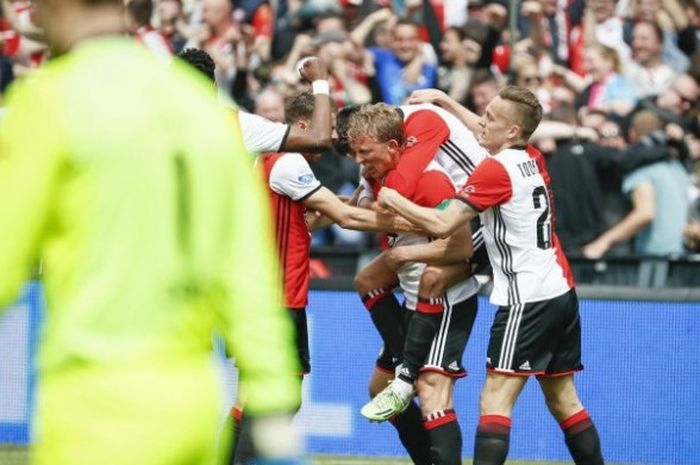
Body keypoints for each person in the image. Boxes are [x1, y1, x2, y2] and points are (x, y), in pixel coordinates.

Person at [0, 1, 304, 464]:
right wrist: (273, 400)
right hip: (190, 405)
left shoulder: (50, 102)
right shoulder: (206, 115)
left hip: (92, 405)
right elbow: (246, 274)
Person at [378, 86, 605, 465]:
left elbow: (443, 221)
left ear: (513, 131)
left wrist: (392, 197)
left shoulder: (495, 170)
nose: (481, 122)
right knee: (564, 400)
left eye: (491, 118)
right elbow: (489, 133)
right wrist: (448, 103)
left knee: (494, 401)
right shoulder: (530, 156)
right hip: (560, 290)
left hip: (526, 299)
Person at [229, 92, 413, 465]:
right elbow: (343, 217)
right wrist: (416, 221)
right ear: (301, 127)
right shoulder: (289, 163)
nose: (330, 139)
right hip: (275, 299)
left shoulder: (274, 163)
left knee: (252, 398)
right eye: (326, 129)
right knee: (277, 398)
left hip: (266, 295)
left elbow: (319, 213)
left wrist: (359, 201)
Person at [342, 103, 486, 465]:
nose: (359, 161)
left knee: (431, 391)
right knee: (379, 388)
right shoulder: (379, 179)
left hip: (446, 301)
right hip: (411, 303)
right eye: (355, 152)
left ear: (394, 147)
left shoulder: (430, 179)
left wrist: (406, 255)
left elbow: (460, 246)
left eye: (365, 152)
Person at [176, 48, 333, 155]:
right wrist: (320, 81)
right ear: (215, 87)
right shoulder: (239, 127)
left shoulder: (155, 127)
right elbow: (318, 139)